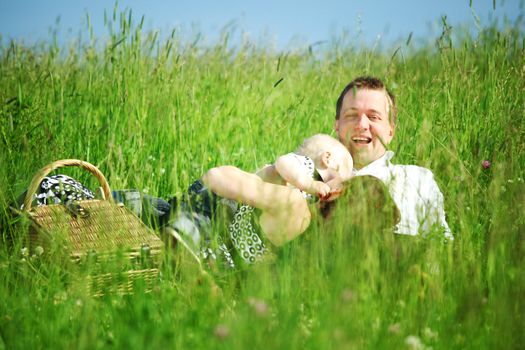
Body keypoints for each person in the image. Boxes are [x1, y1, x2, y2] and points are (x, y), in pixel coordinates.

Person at [168, 133, 353, 268]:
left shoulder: (310, 199)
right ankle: (180, 234)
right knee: (197, 222)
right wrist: (308, 184)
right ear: (327, 159)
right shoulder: (306, 168)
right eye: (345, 176)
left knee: (212, 243)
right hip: (219, 198)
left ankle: (195, 257)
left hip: (237, 223)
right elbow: (283, 162)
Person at [333, 76, 453, 239]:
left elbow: (440, 250)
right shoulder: (312, 177)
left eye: (373, 117)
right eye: (352, 115)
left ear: (390, 131)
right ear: (337, 126)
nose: (361, 124)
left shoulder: (418, 180)